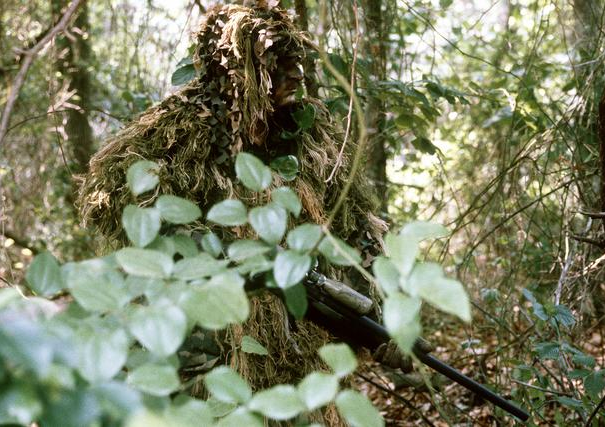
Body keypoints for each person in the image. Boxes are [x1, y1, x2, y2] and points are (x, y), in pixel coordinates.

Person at [77, 3, 406, 420]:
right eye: (277, 63)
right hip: (212, 337)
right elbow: (108, 193)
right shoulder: (179, 129)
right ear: (238, 71)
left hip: (300, 333)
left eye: (296, 62)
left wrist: (386, 310)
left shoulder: (310, 132)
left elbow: (356, 226)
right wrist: (209, 250)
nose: (297, 75)